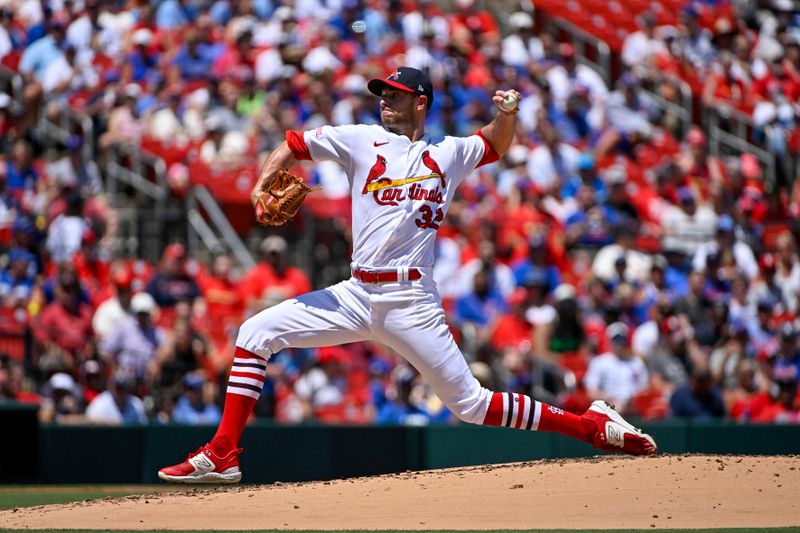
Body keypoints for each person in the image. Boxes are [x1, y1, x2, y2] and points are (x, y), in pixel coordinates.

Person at [158, 67, 655, 484]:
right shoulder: (360, 139)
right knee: (254, 331)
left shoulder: (447, 154)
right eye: (382, 94)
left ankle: (591, 426)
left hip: (412, 299)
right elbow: (291, 144)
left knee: (471, 405)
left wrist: (507, 114)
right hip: (356, 292)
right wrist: (265, 179)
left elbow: (494, 145)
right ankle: (223, 453)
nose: (384, 102)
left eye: (394, 95)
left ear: (420, 103)